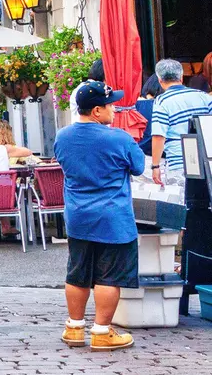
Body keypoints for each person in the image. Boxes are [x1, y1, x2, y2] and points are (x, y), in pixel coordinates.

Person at [54, 80, 141, 351]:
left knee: (77, 272)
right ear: (96, 111)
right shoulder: (119, 137)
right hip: (113, 218)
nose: (114, 109)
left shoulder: (62, 136)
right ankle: (102, 331)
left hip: (78, 216)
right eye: (110, 105)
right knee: (109, 276)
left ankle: (74, 328)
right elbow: (138, 167)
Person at [151, 58, 212, 195]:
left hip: (179, 164)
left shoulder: (162, 101)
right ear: (181, 77)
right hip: (207, 162)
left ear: (160, 80)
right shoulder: (204, 97)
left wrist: (155, 166)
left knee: (182, 208)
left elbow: (159, 136)